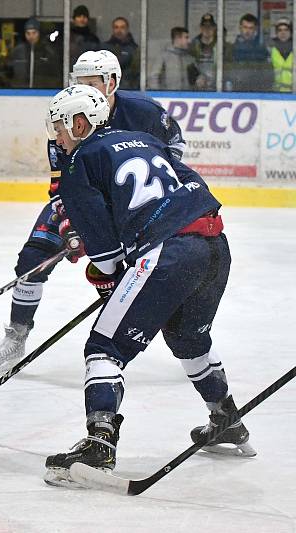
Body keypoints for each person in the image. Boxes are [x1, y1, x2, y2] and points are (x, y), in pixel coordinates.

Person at [42, 84, 254, 487]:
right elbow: (193, 185)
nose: (57, 138)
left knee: (105, 346)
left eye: (61, 128)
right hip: (214, 245)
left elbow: (104, 259)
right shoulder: (145, 139)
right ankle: (226, 417)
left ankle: (99, 440)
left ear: (81, 123)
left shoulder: (79, 163)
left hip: (168, 253)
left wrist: (115, 274)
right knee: (188, 339)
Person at [0, 50, 185, 375]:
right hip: (82, 199)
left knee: (149, 266)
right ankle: (17, 335)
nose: (84, 88)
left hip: (130, 203)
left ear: (112, 83)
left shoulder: (144, 112)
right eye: (80, 81)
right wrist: (70, 227)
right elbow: (61, 187)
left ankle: (176, 331)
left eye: (92, 82)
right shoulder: (66, 117)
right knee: (32, 260)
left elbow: (173, 148)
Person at [6, 16, 62, 88]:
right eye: (28, 33)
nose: (31, 36)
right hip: (20, 92)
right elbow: (9, 72)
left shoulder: (48, 51)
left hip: (44, 92)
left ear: (39, 33)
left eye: (34, 33)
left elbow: (56, 75)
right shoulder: (18, 51)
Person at [226, 13, 273, 91]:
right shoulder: (231, 49)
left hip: (257, 93)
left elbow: (268, 75)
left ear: (255, 29)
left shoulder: (261, 50)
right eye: (245, 27)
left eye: (251, 28)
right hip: (235, 93)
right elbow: (225, 72)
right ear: (240, 27)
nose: (247, 31)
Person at [101, 17, 139, 89]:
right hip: (107, 88)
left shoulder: (134, 49)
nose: (119, 30)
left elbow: (136, 72)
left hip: (129, 89)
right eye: (116, 27)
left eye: (122, 27)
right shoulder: (103, 48)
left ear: (127, 29)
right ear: (112, 29)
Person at [189, 13, 222, 91]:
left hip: (218, 86)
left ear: (214, 28)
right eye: (204, 26)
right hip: (197, 86)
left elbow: (228, 65)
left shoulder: (221, 45)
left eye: (210, 26)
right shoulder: (192, 46)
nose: (207, 29)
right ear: (200, 28)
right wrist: (196, 77)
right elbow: (189, 66)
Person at [269, 18, 293, 92]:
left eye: (286, 30)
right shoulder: (269, 49)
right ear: (276, 32)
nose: (283, 33)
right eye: (280, 30)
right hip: (276, 94)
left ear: (291, 32)